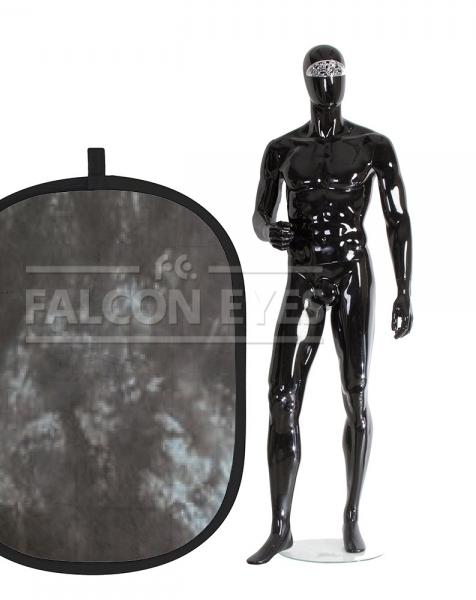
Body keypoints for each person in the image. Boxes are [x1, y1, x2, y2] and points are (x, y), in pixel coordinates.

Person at [247, 45, 413, 565]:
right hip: (302, 275)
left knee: (354, 393)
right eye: (318, 74)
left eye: (333, 73)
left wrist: (405, 289)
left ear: (344, 79)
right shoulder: (282, 149)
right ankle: (280, 527)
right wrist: (270, 231)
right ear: (306, 81)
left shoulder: (372, 146)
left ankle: (351, 516)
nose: (326, 83)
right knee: (281, 395)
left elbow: (396, 219)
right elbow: (259, 215)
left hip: (351, 273)